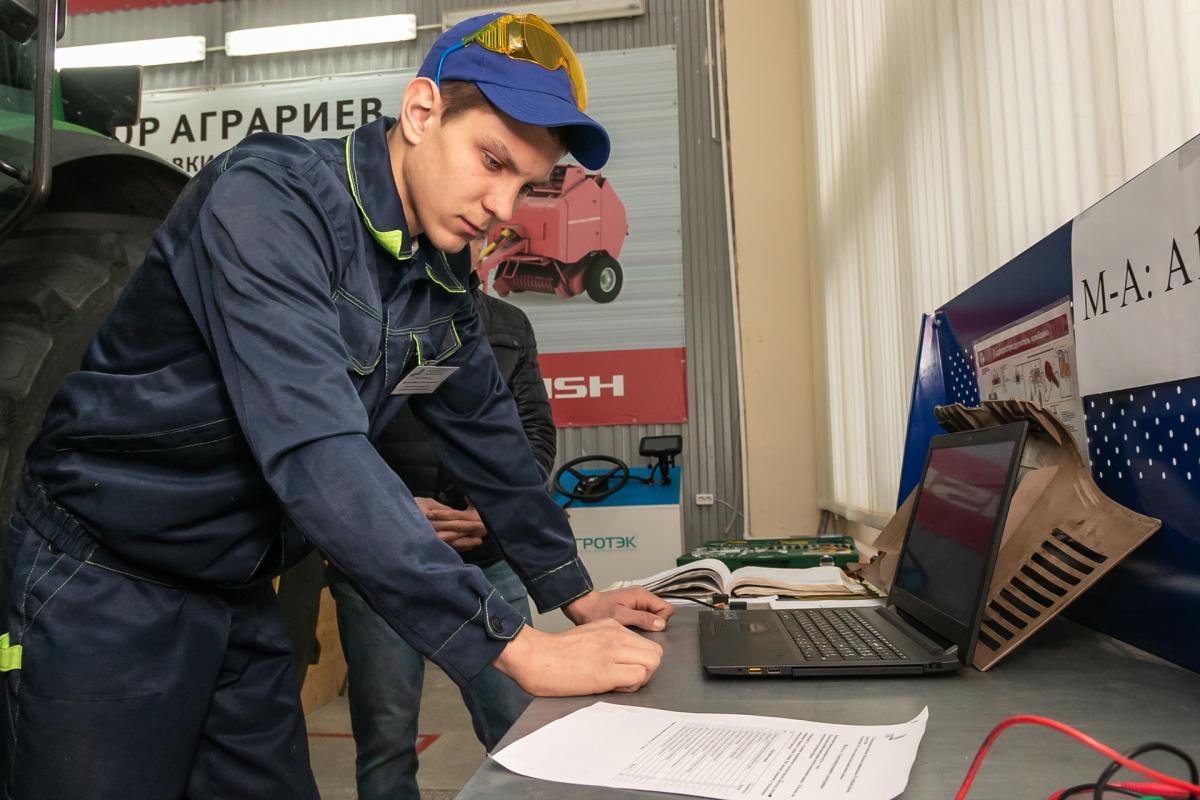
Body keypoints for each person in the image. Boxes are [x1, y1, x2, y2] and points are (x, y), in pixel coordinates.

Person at [1, 11, 672, 799]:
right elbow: (317, 451)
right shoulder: (269, 200)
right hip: (102, 583)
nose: (501, 208)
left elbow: (490, 439)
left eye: (524, 185)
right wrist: (514, 644)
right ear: (421, 112)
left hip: (237, 592)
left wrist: (579, 594)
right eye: (491, 161)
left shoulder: (440, 274)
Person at [329, 263, 553, 799]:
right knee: (386, 740)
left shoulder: (509, 323)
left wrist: (500, 508)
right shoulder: (354, 318)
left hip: (489, 558)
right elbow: (331, 434)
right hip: (382, 564)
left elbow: (536, 431)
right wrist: (394, 511)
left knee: (519, 729)